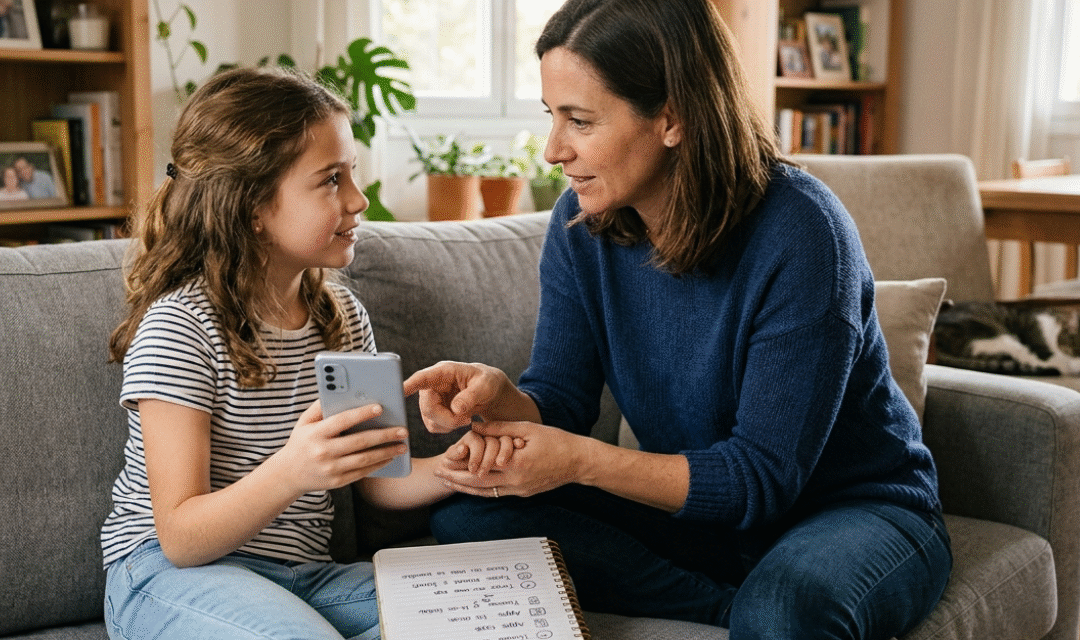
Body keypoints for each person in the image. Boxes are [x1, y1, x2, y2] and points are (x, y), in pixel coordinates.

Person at [403, 1, 952, 638]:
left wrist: (580, 462)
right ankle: (723, 607)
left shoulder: (804, 233)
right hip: (700, 515)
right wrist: (507, 404)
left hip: (852, 510)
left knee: (781, 612)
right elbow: (562, 402)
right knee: (470, 519)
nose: (554, 149)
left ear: (672, 117)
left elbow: (760, 479)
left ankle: (757, 606)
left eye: (579, 121)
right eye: (551, 117)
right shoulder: (582, 227)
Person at [100, 66, 518, 640]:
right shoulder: (181, 326)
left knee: (491, 617)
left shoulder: (341, 318)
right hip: (166, 576)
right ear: (252, 206)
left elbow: (377, 480)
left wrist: (457, 467)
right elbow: (180, 535)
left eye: (353, 173)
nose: (359, 198)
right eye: (330, 180)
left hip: (303, 576)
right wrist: (294, 470)